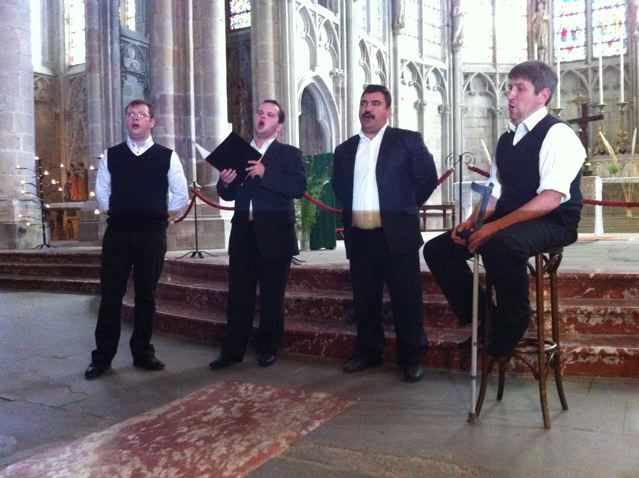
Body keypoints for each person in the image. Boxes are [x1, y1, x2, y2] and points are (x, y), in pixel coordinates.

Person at [423, 60, 585, 359]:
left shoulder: (558, 134)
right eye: (509, 87)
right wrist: (471, 222)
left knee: (500, 243)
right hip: (511, 217)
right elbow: (494, 194)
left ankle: (514, 321)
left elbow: (551, 198)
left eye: (519, 88)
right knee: (438, 250)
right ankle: (487, 318)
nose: (510, 94)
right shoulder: (506, 138)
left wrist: (493, 227)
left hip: (553, 220)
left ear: (543, 95)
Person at [332, 84, 438, 383]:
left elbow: (427, 179)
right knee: (365, 299)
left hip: (397, 234)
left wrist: (404, 207)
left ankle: (412, 357)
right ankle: (368, 352)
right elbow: (339, 188)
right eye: (364, 103)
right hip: (360, 236)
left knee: (407, 299)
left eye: (375, 103)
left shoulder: (407, 141)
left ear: (388, 110)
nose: (368, 109)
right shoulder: (345, 150)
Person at [84, 99, 188, 379]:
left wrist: (156, 212)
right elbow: (102, 193)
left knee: (146, 296)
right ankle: (102, 357)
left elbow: (181, 195)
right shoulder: (112, 155)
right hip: (118, 234)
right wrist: (122, 211)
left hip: (152, 235)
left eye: (141, 114)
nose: (135, 118)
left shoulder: (167, 156)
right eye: (131, 114)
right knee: (111, 297)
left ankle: (142, 352)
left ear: (152, 122)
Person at [209, 100, 306, 369]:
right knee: (238, 296)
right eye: (260, 113)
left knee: (272, 297)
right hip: (244, 233)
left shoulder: (289, 154)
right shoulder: (240, 152)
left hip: (276, 235)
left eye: (270, 114)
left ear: (279, 126)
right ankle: (232, 350)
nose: (263, 117)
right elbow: (228, 193)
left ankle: (268, 348)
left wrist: (266, 173)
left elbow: (298, 187)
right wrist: (225, 182)